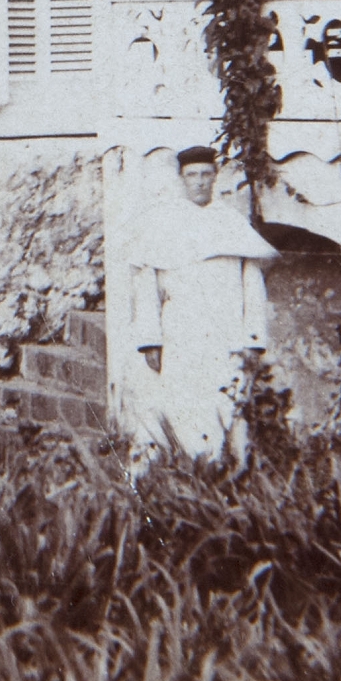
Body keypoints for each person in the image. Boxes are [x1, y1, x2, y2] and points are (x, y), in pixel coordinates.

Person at [126, 143, 278, 459]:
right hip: (179, 332)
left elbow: (252, 285)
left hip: (226, 332)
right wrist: (150, 341)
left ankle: (227, 469)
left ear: (215, 177)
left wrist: (254, 340)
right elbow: (148, 287)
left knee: (225, 401)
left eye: (206, 174)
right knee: (181, 401)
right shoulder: (163, 223)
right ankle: (186, 469)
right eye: (192, 175)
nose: (199, 181)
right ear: (181, 179)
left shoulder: (233, 223)